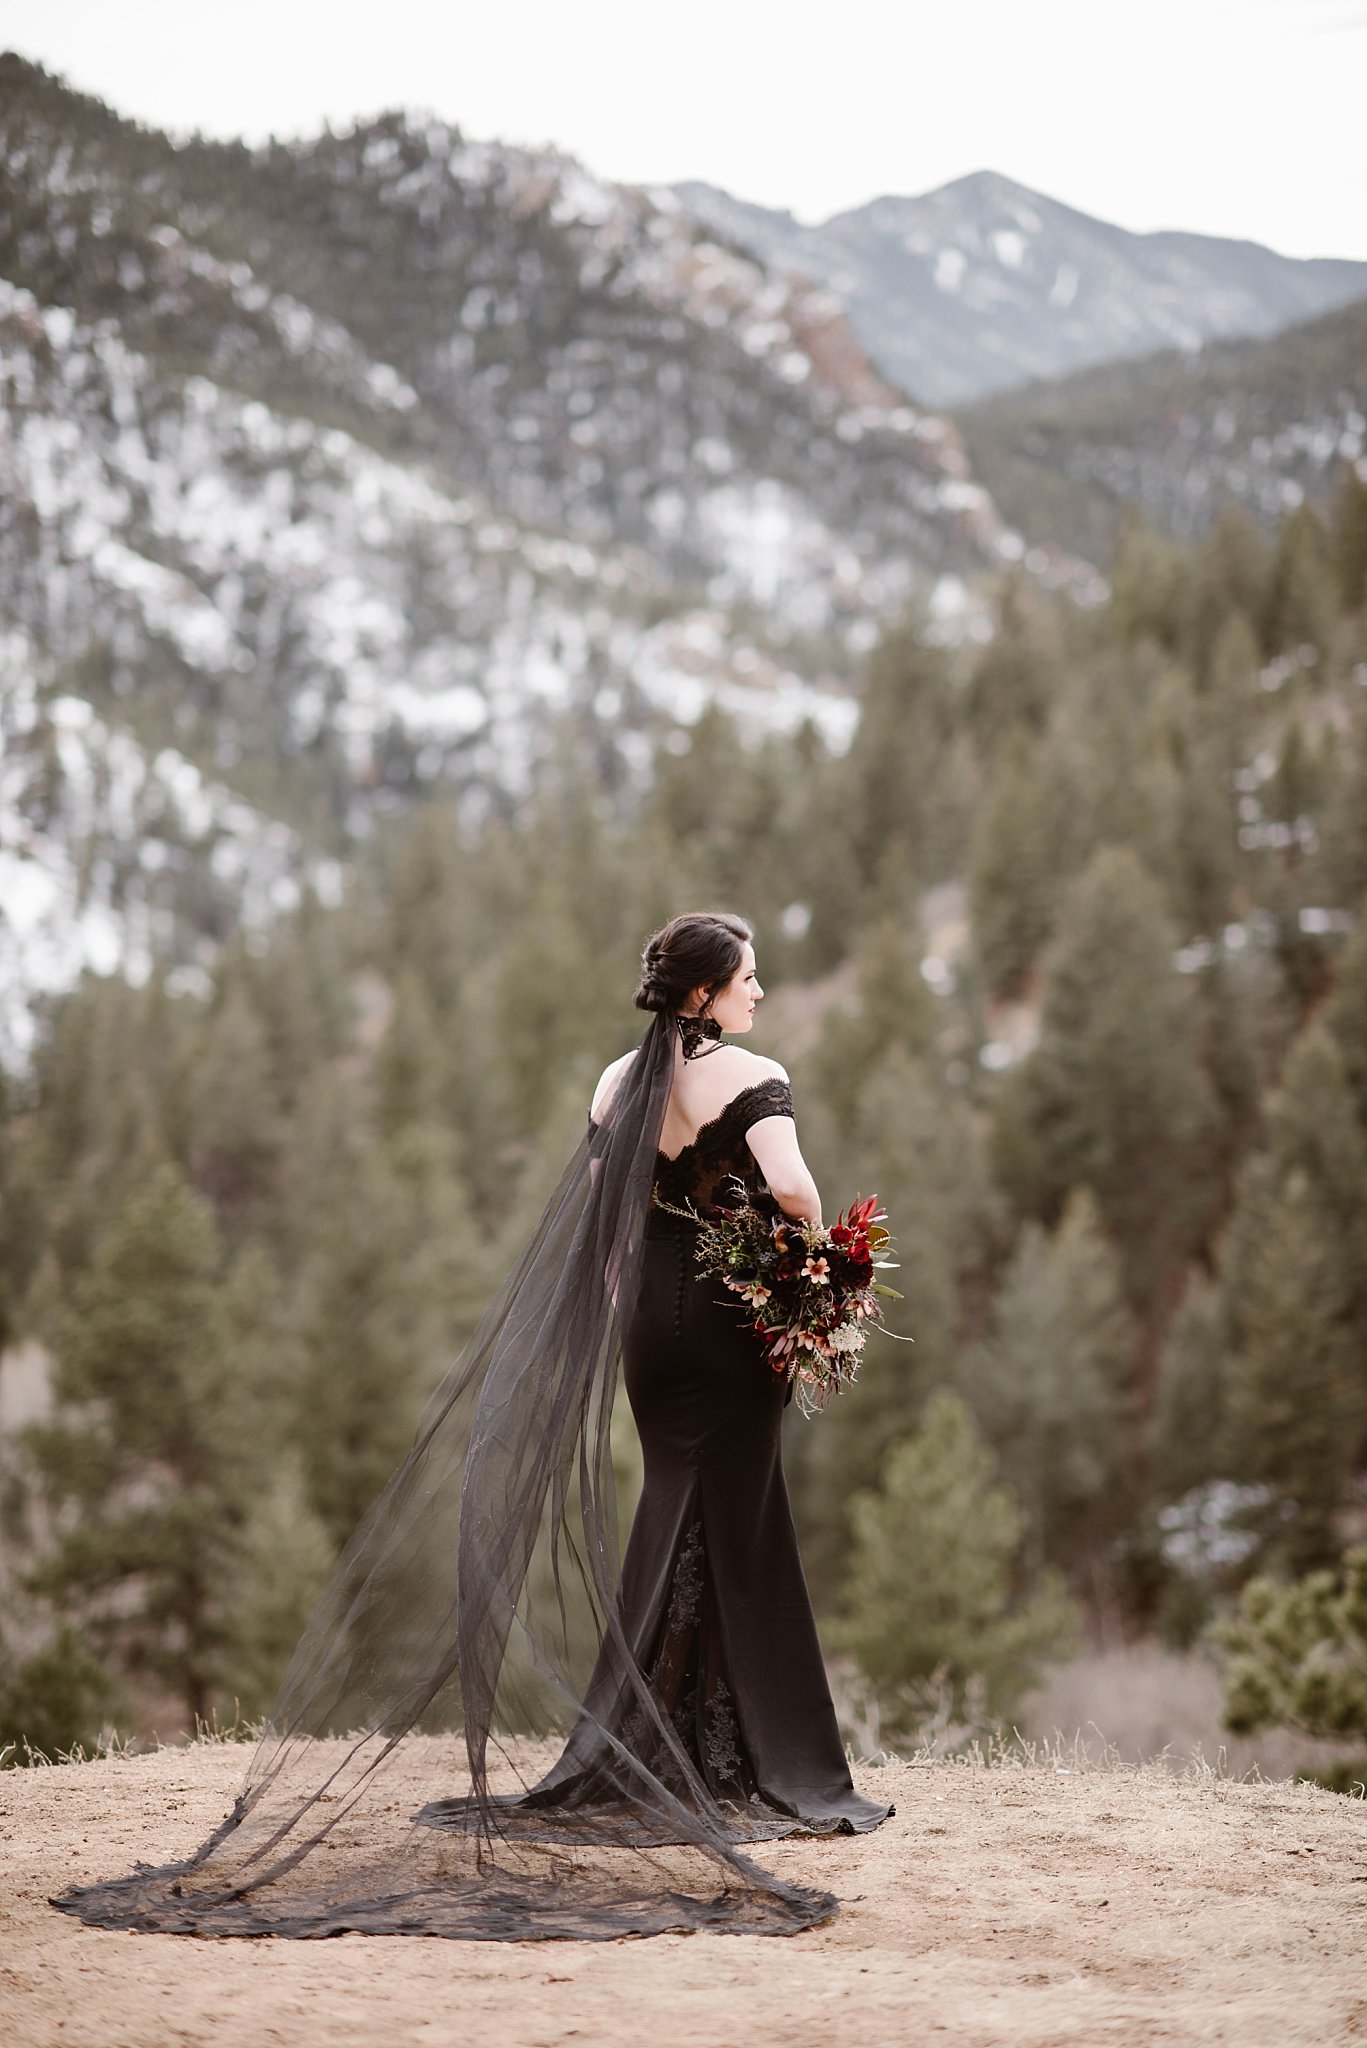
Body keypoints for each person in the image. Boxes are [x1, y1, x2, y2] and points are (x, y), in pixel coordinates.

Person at [51, 912, 891, 1943]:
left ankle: (664, 1749)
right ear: (703, 994)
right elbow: (797, 1187)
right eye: (747, 979)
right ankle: (777, 1761)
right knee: (744, 1523)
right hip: (728, 1323)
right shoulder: (750, 1074)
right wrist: (812, 1272)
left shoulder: (613, 1087)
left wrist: (644, 1298)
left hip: (652, 1333)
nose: (758, 992)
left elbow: (606, 1220)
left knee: (674, 1509)